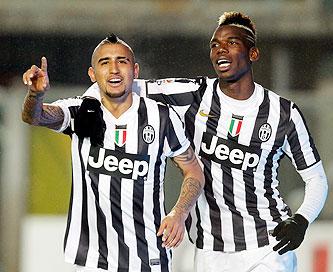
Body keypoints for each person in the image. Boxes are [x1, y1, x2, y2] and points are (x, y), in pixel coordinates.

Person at [80, 12, 328, 272]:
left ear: (252, 54)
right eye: (215, 44)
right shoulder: (192, 95)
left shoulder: (283, 113)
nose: (220, 49)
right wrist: (88, 102)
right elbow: (122, 82)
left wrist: (301, 220)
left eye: (231, 43)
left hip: (267, 246)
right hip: (209, 252)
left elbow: (316, 179)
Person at [21, 34, 205, 272]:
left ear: (135, 70)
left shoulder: (162, 117)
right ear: (92, 74)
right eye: (105, 62)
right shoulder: (81, 112)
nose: (114, 69)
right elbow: (33, 116)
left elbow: (194, 172)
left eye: (122, 61)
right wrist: (36, 94)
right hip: (93, 261)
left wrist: (179, 214)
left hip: (148, 258)